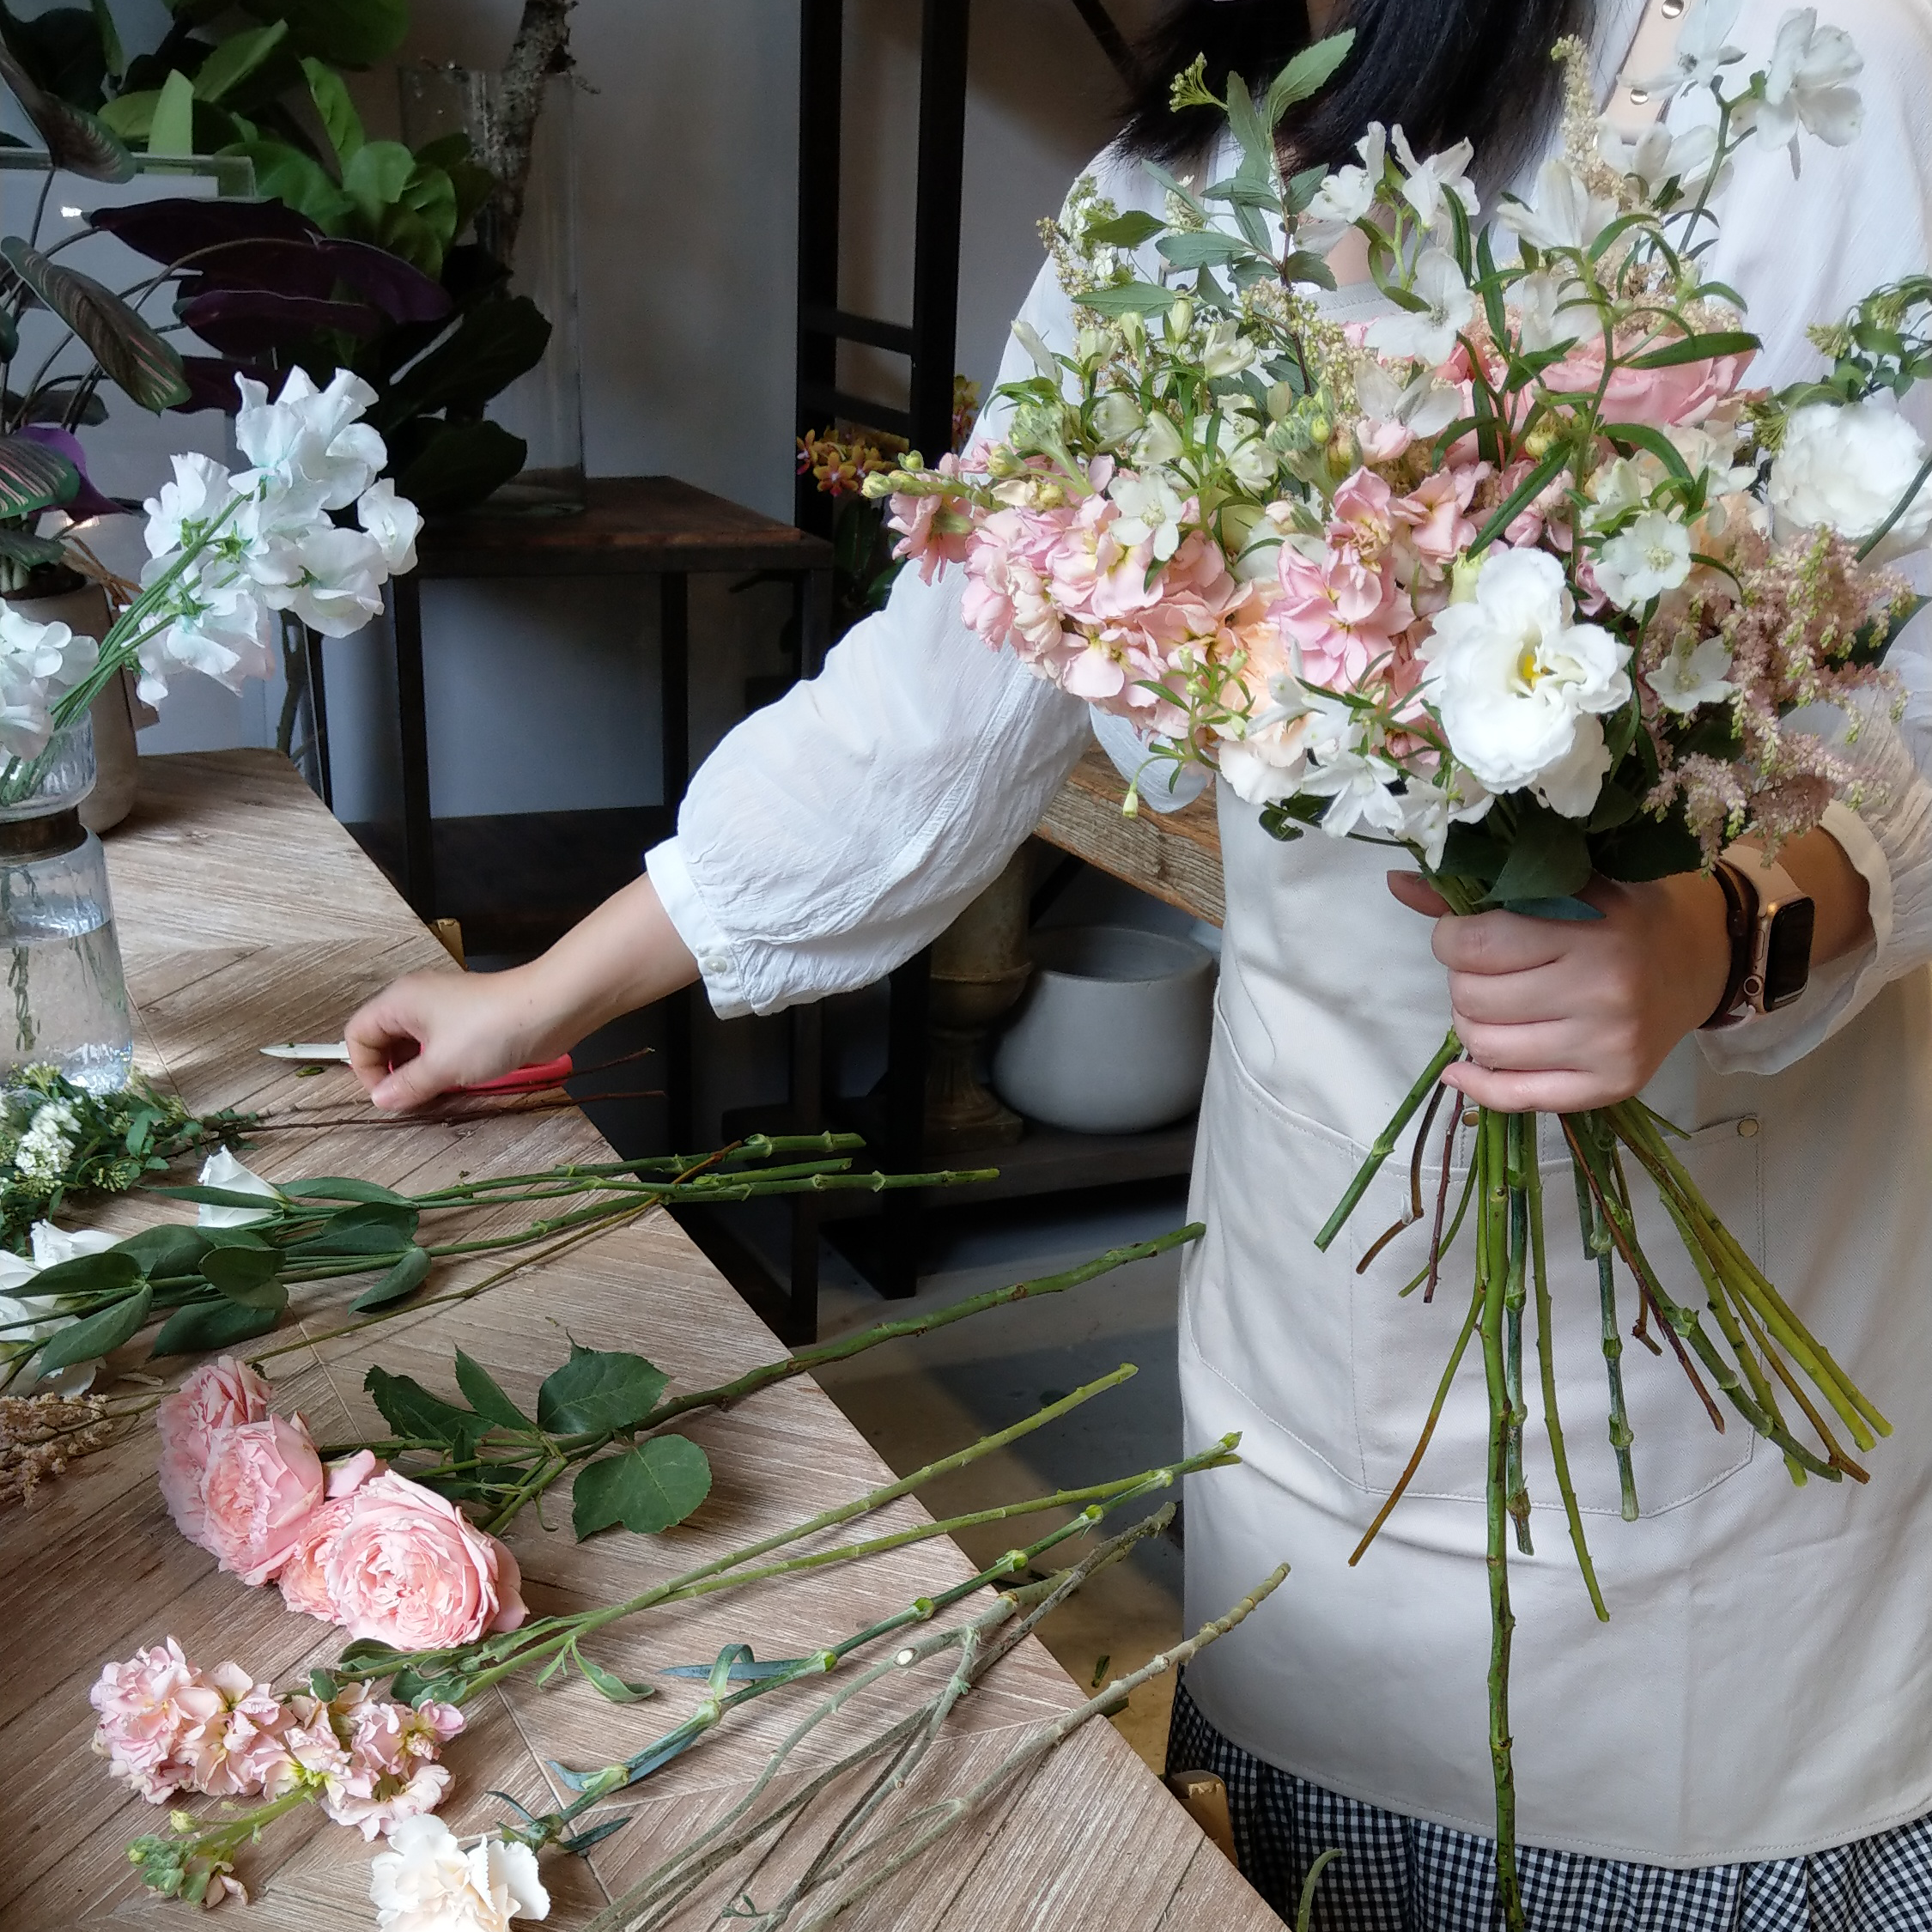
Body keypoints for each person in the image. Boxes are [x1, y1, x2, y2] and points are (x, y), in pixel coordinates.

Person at [345, 2, 1932, 1924]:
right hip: (1332, 1307)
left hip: (1738, 1374)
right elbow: (942, 706)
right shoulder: (1182, 186)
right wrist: (539, 996)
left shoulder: (1828, 68)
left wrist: (1735, 923)